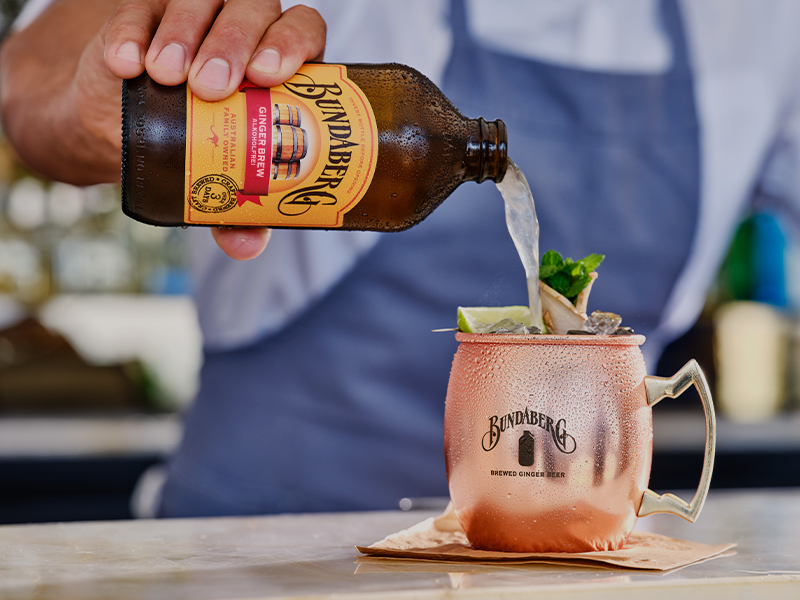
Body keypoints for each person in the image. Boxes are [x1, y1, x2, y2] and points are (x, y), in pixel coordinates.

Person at [3, 0, 800, 516]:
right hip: (250, 550)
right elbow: (30, 73)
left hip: (552, 568)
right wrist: (91, 105)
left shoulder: (759, 23)